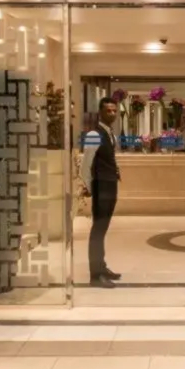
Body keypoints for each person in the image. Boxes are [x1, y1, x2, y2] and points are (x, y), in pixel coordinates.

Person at [80, 97, 122, 287]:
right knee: (98, 230)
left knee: (102, 229)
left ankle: (101, 267)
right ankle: (95, 276)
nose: (112, 114)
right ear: (100, 113)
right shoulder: (94, 134)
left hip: (110, 185)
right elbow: (85, 166)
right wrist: (90, 187)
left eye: (114, 110)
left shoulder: (110, 134)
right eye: (108, 111)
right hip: (101, 186)